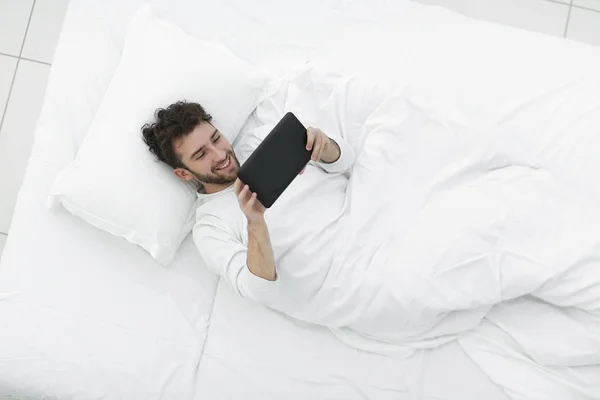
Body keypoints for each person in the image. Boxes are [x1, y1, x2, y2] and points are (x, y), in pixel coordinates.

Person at [142, 101, 356, 310]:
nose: (219, 154)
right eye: (201, 154)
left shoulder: (261, 141)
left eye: (216, 139)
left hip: (366, 215)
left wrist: (325, 145)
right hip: (348, 277)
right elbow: (261, 292)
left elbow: (345, 161)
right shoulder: (209, 227)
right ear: (184, 173)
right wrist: (255, 223)